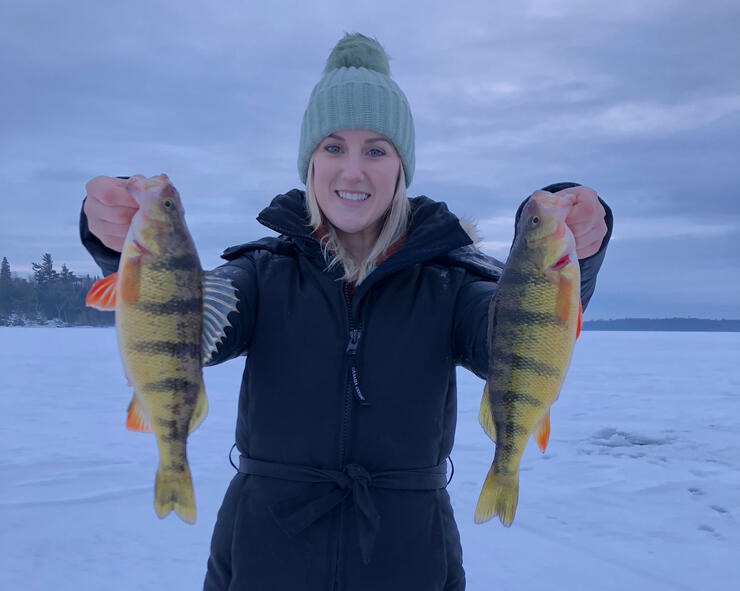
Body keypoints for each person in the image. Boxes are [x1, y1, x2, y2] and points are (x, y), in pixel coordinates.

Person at [80, 33, 612, 591]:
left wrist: (581, 251)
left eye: (376, 151)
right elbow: (177, 315)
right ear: (309, 163)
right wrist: (117, 245)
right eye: (333, 147)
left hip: (411, 561)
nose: (353, 171)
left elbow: (520, 336)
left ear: (401, 167)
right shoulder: (260, 273)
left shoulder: (452, 280)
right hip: (263, 559)